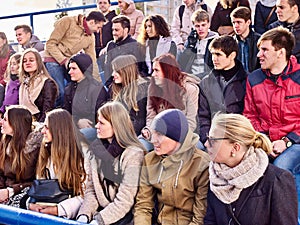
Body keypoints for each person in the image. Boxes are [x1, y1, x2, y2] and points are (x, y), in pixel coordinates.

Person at [243, 26, 300, 222]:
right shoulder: (254, 78)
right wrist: (264, 140)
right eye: (259, 49)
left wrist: (287, 141)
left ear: (280, 52)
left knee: (283, 168)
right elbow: (249, 115)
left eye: (264, 50)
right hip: (265, 140)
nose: (259, 54)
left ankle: (293, 219)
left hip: (295, 141)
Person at [203, 113, 298, 225]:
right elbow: (210, 221)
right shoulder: (215, 176)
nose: (206, 144)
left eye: (213, 140)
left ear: (235, 148)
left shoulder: (277, 180)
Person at [134, 109, 210, 225]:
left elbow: (200, 217)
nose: (153, 140)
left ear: (176, 137)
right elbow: (143, 206)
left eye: (159, 135)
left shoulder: (201, 164)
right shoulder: (150, 160)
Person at [76, 101, 145, 224]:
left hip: (125, 218)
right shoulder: (96, 150)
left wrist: (99, 221)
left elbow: (125, 201)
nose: (96, 126)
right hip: (103, 212)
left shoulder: (133, 154)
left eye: (101, 123)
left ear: (116, 126)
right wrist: (84, 216)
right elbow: (92, 190)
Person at [28, 108, 88, 219]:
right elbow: (41, 186)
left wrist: (58, 210)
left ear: (58, 130)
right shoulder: (45, 151)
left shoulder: (81, 155)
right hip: (45, 209)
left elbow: (86, 195)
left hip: (67, 214)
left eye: (46, 127)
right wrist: (32, 204)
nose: (42, 131)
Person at [43, 11, 105, 107]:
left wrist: (98, 82)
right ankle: (55, 114)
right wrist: (63, 60)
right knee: (61, 91)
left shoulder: (90, 37)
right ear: (92, 22)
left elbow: (92, 60)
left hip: (68, 63)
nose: (98, 31)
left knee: (75, 88)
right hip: (52, 59)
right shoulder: (68, 21)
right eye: (98, 27)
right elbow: (50, 44)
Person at [198, 35, 247, 146]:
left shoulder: (247, 81)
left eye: (218, 54)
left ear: (232, 55)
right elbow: (203, 117)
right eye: (213, 54)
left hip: (237, 138)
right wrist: (207, 139)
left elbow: (248, 115)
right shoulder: (205, 83)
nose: (214, 59)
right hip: (211, 137)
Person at [145, 53, 200, 134]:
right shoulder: (153, 87)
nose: (153, 74)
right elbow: (151, 117)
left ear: (167, 71)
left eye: (156, 70)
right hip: (158, 133)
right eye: (153, 70)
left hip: (182, 135)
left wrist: (173, 138)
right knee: (140, 144)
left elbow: (191, 122)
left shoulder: (190, 89)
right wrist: (150, 132)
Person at [0, 105, 42, 208]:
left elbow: (37, 181)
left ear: (16, 124)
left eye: (5, 119)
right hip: (4, 190)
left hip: (23, 191)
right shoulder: (5, 141)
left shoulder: (35, 150)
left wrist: (10, 191)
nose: (1, 122)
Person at [96, 55, 149, 136]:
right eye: (113, 70)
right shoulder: (113, 88)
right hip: (114, 131)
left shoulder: (141, 90)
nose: (113, 74)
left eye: (116, 71)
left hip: (130, 135)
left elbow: (139, 123)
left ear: (126, 71)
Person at [63, 53, 101, 143]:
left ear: (84, 69)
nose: (69, 72)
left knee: (75, 137)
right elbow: (66, 113)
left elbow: (99, 115)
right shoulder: (69, 89)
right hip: (73, 126)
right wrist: (77, 121)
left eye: (74, 68)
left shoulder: (96, 88)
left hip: (94, 128)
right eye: (69, 68)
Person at [103, 15, 147, 86]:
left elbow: (141, 70)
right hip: (114, 86)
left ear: (126, 30)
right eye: (113, 30)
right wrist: (110, 86)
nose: (113, 33)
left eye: (116, 30)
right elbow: (107, 68)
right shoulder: (110, 45)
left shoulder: (136, 46)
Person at [19, 48, 58, 122]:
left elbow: (47, 111)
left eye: (31, 60)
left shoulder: (47, 83)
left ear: (38, 62)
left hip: (40, 125)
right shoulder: (23, 84)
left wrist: (38, 127)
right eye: (24, 61)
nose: (27, 63)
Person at [178, 9, 218, 79]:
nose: (200, 29)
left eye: (203, 25)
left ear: (209, 24)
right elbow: (183, 63)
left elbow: (215, 66)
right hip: (191, 77)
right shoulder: (191, 40)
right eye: (197, 26)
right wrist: (190, 46)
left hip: (208, 79)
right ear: (193, 26)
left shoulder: (215, 41)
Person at [231, 6, 261, 73]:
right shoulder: (231, 42)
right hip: (237, 81)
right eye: (233, 22)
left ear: (248, 22)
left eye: (239, 22)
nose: (236, 26)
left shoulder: (259, 40)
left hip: (255, 79)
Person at [95, 0, 117, 72]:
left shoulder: (114, 18)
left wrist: (106, 48)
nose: (102, 5)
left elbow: (116, 36)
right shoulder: (93, 19)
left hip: (109, 49)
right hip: (95, 49)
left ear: (109, 5)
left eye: (105, 3)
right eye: (100, 3)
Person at [0, 53, 21, 117]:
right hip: (6, 113)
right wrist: (1, 111)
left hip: (16, 115)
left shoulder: (22, 83)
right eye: (11, 64)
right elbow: (6, 100)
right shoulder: (10, 82)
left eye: (14, 64)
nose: (12, 66)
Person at [0, 32, 15, 107]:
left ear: (4, 41)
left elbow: (10, 74)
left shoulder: (11, 54)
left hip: (6, 82)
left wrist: (2, 82)